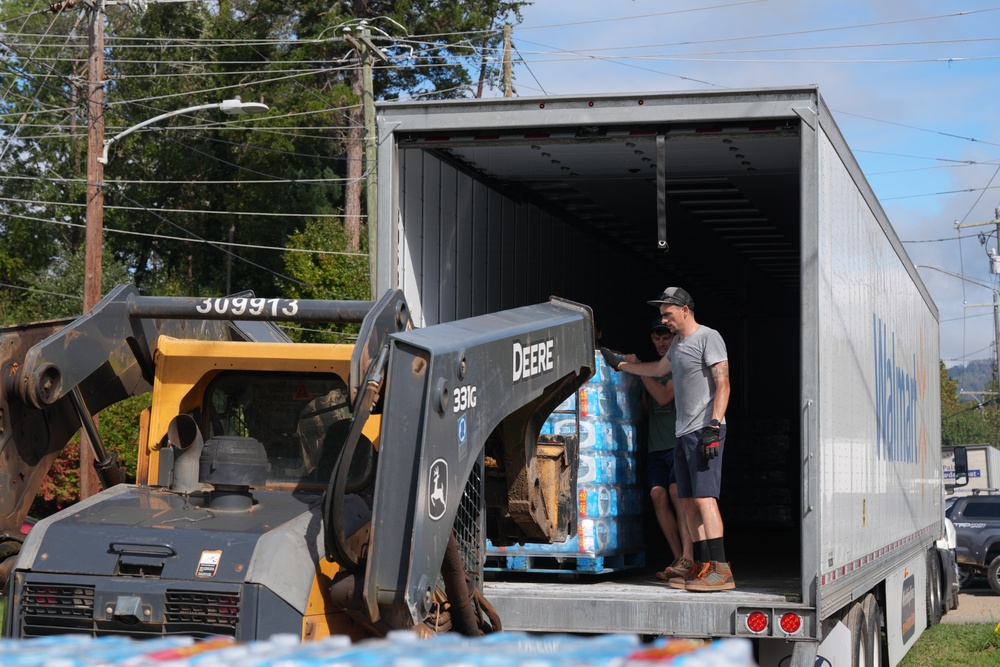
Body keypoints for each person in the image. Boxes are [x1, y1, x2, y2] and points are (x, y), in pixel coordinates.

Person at [617, 286, 734, 592]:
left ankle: (721, 569)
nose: (664, 321)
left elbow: (723, 383)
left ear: (685, 310)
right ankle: (700, 565)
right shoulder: (677, 347)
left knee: (704, 497)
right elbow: (657, 369)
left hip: (704, 430)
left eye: (667, 314)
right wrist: (621, 365)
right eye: (661, 315)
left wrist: (714, 424)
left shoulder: (709, 337)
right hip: (682, 433)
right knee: (686, 501)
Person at [628, 318, 694, 582]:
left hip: (677, 444)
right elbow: (647, 409)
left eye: (665, 338)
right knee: (657, 495)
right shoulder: (650, 372)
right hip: (656, 448)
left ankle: (689, 557)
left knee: (678, 492)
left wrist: (638, 370)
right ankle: (678, 558)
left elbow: (664, 397)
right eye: (656, 339)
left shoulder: (676, 367)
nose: (660, 343)